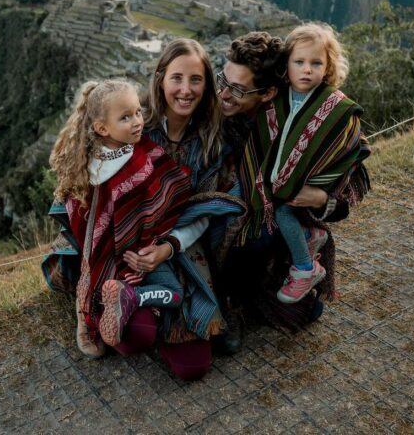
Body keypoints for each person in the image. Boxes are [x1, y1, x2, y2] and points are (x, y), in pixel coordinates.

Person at [218, 30, 369, 338]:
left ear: (267, 92)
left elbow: (351, 175)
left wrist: (321, 198)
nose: (224, 95)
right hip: (240, 228)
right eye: (223, 81)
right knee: (236, 222)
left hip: (285, 216)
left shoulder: (305, 112)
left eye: (238, 89)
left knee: (308, 311)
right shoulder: (221, 122)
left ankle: (278, 276)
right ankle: (229, 300)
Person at [42, 79, 193, 359]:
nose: (137, 122)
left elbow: (171, 190)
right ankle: (86, 313)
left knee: (172, 296)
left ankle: (128, 297)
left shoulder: (144, 150)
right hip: (107, 261)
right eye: (125, 117)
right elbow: (89, 240)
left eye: (137, 112)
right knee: (171, 294)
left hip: (145, 254)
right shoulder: (91, 171)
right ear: (102, 128)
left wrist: (160, 245)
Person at [123, 38, 245, 379]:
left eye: (196, 80)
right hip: (130, 238)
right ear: (161, 79)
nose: (185, 90)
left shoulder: (211, 140)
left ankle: (183, 312)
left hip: (183, 241)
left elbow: (205, 209)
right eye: (177, 78)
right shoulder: (137, 127)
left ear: (207, 85)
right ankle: (123, 308)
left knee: (192, 367)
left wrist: (169, 247)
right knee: (137, 334)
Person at [268, 23, 370, 303]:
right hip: (275, 184)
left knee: (283, 213)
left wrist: (322, 194)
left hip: (304, 191)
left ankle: (304, 269)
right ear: (286, 64)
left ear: (328, 67)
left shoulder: (336, 108)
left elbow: (347, 151)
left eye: (316, 63)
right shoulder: (275, 100)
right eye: (298, 62)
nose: (307, 69)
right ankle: (308, 237)